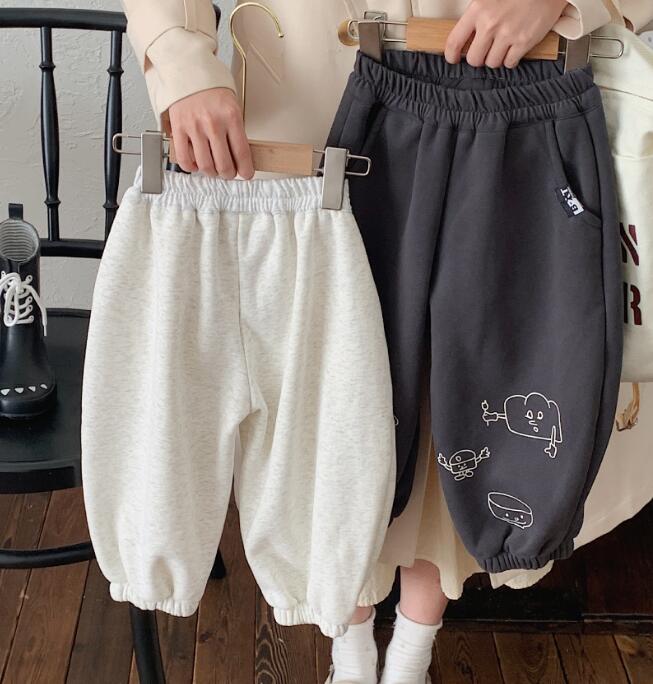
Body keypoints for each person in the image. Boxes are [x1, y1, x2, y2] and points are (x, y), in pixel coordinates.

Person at [119, 2, 653, 683]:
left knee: (459, 398)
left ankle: (411, 650)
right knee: (319, 405)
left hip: (504, 63)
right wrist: (181, 59)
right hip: (307, 97)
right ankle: (348, 645)